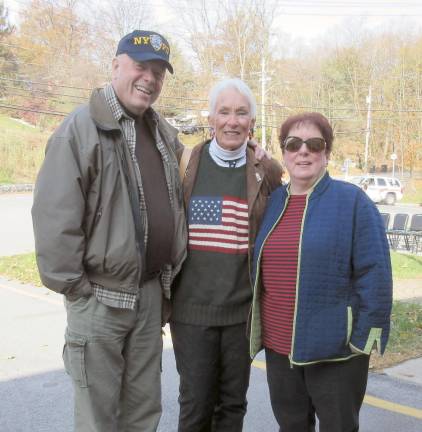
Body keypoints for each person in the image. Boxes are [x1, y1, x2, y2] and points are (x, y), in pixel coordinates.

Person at [31, 30, 187, 432]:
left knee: (143, 414)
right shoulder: (80, 129)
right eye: (140, 66)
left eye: (158, 71)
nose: (149, 78)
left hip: (149, 297)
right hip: (98, 298)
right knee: (99, 420)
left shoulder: (162, 134)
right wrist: (77, 290)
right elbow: (54, 218)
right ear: (115, 65)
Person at [249, 112, 393, 432]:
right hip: (279, 348)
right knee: (292, 427)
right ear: (284, 153)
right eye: (293, 144)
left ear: (327, 153)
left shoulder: (352, 201)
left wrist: (365, 340)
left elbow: (376, 273)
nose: (304, 151)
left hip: (336, 351)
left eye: (315, 144)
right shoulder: (273, 203)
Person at [170, 78, 283, 432]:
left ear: (251, 122)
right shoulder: (185, 163)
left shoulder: (266, 172)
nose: (232, 121)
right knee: (196, 405)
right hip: (191, 313)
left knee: (233, 406)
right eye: (224, 112)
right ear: (211, 119)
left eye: (241, 113)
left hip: (240, 314)